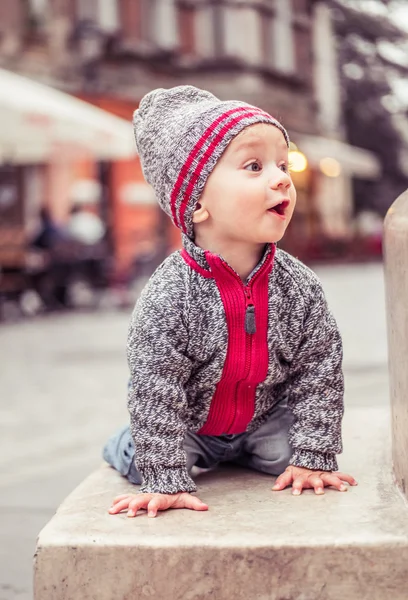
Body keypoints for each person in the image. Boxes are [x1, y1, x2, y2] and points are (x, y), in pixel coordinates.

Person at [103, 85, 357, 519]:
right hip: (192, 425)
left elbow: (319, 370)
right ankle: (128, 443)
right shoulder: (170, 295)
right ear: (197, 202)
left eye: (282, 164)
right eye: (254, 166)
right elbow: (155, 386)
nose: (281, 178)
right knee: (145, 460)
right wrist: (164, 480)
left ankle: (251, 451)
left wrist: (313, 455)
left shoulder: (299, 287)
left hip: (264, 420)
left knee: (292, 456)